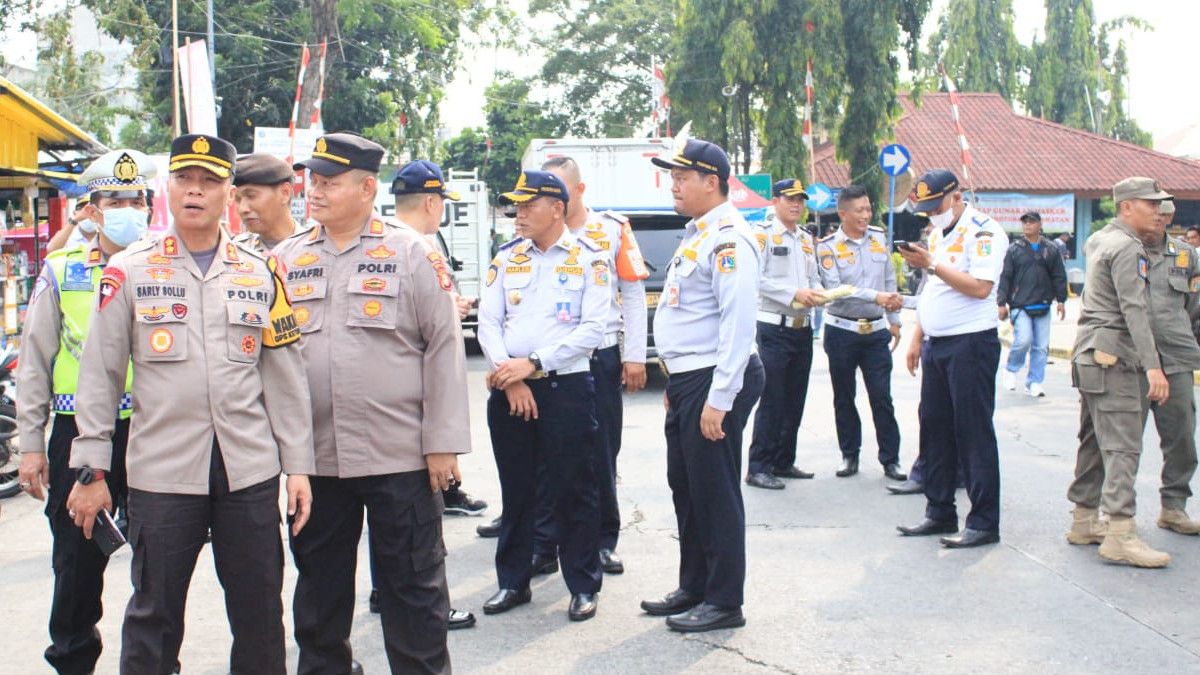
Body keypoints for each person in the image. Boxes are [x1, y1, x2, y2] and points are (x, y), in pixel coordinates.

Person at [65, 133, 315, 674]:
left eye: (209, 182)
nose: (195, 192)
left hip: (247, 471)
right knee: (154, 616)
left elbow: (284, 375)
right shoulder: (128, 271)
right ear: (167, 190)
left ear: (229, 193)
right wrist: (92, 468)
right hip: (162, 474)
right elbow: (100, 375)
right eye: (184, 180)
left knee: (258, 614)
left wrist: (298, 465)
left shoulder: (260, 271)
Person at [278, 133, 470, 673]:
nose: (314, 192)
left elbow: (445, 346)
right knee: (319, 596)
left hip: (400, 457)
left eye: (329, 182)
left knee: (413, 592)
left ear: (367, 188)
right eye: (312, 180)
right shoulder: (286, 259)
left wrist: (443, 444)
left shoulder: (411, 252)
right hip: (317, 461)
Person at [16, 149, 152, 675]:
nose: (126, 209)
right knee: (76, 563)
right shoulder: (61, 271)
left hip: (150, 429)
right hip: (77, 435)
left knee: (159, 557)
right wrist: (30, 445)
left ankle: (156, 662)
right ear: (91, 211)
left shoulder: (163, 265)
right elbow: (35, 363)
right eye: (114, 199)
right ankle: (73, 661)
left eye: (135, 199)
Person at [638, 138, 763, 633]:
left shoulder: (729, 238)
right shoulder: (698, 233)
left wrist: (719, 398)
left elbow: (738, 325)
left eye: (682, 177)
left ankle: (724, 599)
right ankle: (694, 584)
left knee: (714, 492)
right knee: (686, 487)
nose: (674, 184)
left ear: (712, 182)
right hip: (692, 379)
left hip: (716, 378)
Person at [476, 169, 609, 622]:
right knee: (517, 490)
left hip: (564, 387)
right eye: (517, 205)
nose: (519, 213)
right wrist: (509, 376)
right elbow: (488, 324)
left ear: (558, 208)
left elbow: (593, 330)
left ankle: (583, 584)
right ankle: (513, 581)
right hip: (509, 389)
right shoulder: (506, 257)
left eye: (529, 205)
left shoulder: (590, 258)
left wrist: (532, 363)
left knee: (575, 488)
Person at [362, 158, 481, 632]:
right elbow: (438, 347)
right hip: (413, 412)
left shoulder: (376, 243)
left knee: (384, 521)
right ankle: (428, 608)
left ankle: (380, 592)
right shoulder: (422, 250)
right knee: (418, 531)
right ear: (432, 203)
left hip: (375, 410)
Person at [536, 155, 649, 575]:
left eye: (559, 193)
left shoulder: (612, 230)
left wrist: (634, 355)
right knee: (547, 454)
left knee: (601, 451)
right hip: (547, 362)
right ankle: (546, 541)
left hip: (599, 355)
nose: (551, 202)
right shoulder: (538, 233)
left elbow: (634, 294)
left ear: (579, 191)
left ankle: (604, 539)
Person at [897, 168, 1008, 549]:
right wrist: (918, 334)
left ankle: (983, 521)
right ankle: (939, 509)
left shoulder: (984, 232)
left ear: (956, 196)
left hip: (971, 344)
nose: (932, 214)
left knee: (973, 433)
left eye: (937, 205)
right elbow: (934, 291)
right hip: (937, 344)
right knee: (935, 430)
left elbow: (979, 288)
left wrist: (931, 263)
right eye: (926, 208)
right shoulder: (938, 234)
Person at [1065, 177, 1172, 567]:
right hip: (1115, 356)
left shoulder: (1099, 240)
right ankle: (1120, 533)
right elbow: (1135, 310)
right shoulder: (1128, 247)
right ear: (1127, 207)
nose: (1158, 211)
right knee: (1124, 445)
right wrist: (1153, 366)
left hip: (1090, 353)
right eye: (1150, 204)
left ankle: (1084, 519)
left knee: (1094, 441)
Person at [814, 185, 906, 481]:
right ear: (843, 213)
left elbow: (889, 278)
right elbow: (835, 291)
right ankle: (849, 455)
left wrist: (894, 318)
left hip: (876, 332)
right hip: (842, 331)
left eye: (868, 209)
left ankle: (891, 459)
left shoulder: (879, 239)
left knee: (882, 397)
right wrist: (875, 297)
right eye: (860, 210)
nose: (866, 215)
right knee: (844, 396)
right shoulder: (828, 246)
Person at [744, 178, 822, 490]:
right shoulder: (762, 235)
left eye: (800, 200)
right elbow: (756, 279)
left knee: (795, 399)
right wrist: (794, 293)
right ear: (775, 201)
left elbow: (813, 277)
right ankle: (759, 466)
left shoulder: (804, 238)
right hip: (774, 326)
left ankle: (784, 460)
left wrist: (817, 293)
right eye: (790, 199)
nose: (796, 205)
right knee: (773, 398)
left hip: (803, 329)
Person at [1140, 199, 1200, 537]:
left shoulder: (1185, 255)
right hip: (1130, 359)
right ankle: (1113, 512)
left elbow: (1193, 304)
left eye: (1165, 214)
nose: (1159, 219)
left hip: (1174, 359)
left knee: (1181, 437)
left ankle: (1173, 507)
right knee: (1121, 440)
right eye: (1154, 212)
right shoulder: (1123, 249)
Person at [997, 211, 1068, 398]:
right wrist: (1001, 302)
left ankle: (1034, 381)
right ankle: (1011, 369)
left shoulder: (1050, 249)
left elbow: (1059, 276)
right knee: (1023, 340)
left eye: (1031, 222)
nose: (1027, 225)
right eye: (1025, 222)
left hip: (1043, 304)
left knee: (1041, 346)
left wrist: (1061, 300)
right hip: (1020, 303)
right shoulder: (1014, 249)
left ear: (1039, 224)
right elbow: (1005, 277)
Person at [232, 153, 301, 252]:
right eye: (237, 199)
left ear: (285, 193)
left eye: (251, 196)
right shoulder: (235, 252)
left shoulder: (317, 249)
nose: (243, 209)